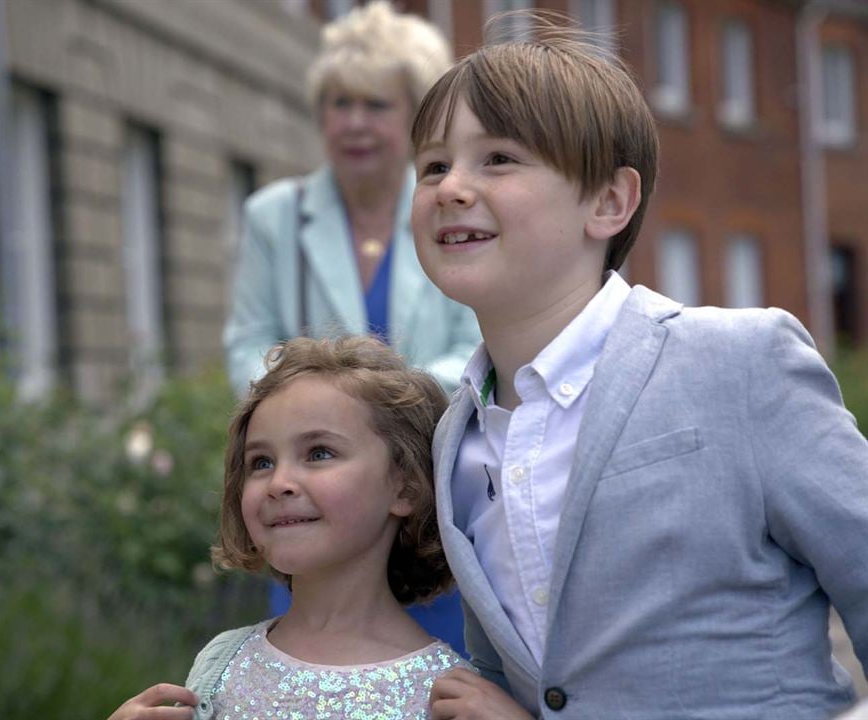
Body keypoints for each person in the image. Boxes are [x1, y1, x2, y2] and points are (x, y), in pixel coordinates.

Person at [408, 11, 868, 719]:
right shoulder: (455, 439)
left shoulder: (740, 363)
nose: (450, 186)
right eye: (433, 166)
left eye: (496, 158)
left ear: (608, 202)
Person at [223, 0, 479, 653]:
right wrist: (309, 410)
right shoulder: (273, 216)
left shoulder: (445, 208)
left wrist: (387, 410)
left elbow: (474, 341)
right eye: (339, 105)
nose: (354, 124)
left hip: (428, 486)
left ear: (415, 119)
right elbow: (247, 342)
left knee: (437, 668)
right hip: (318, 498)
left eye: (376, 105)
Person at [108, 336, 479, 720]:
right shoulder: (220, 664)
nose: (278, 482)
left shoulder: (449, 698)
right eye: (261, 462)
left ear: (407, 487)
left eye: (319, 453)